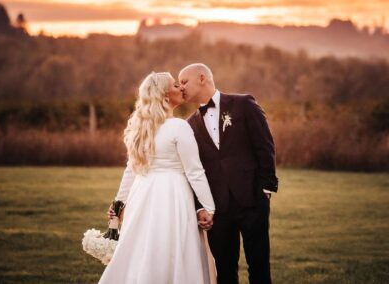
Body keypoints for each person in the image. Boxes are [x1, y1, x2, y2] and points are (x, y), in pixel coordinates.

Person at [99, 72, 216, 284]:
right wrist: (209, 206)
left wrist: (119, 203)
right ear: (164, 96)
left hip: (142, 194)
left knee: (142, 247)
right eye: (175, 85)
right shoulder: (179, 127)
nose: (181, 88)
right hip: (173, 195)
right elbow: (194, 171)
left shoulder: (140, 128)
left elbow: (130, 169)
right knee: (171, 246)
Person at [179, 63, 279, 284]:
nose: (181, 87)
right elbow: (193, 170)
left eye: (184, 81)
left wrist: (266, 188)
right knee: (224, 271)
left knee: (259, 266)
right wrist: (202, 206)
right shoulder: (189, 125)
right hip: (218, 208)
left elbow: (265, 146)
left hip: (253, 199)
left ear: (202, 78)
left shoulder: (243, 104)